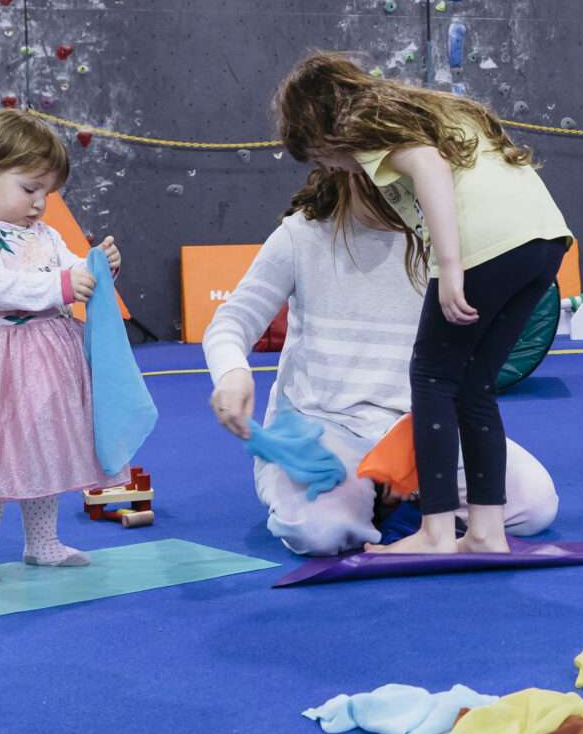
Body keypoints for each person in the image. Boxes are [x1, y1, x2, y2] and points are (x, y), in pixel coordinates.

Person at [274, 53, 572, 555]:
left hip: (486, 242)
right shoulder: (418, 109)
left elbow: (428, 167)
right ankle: (486, 530)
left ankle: (435, 531)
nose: (332, 169)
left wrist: (451, 264)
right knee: (474, 384)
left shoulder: (361, 124)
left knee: (432, 378)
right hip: (545, 238)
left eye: (324, 159)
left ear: (321, 128)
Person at [203, 168, 558, 554]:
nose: (394, 194)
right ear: (341, 166)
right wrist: (232, 372)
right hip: (324, 431)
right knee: (319, 532)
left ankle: (395, 501)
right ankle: (384, 503)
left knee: (534, 505)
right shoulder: (300, 235)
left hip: (424, 429)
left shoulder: (446, 240)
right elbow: (231, 321)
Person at [0, 107, 125, 586]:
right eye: (29, 189)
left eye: (48, 193)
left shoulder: (46, 233)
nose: (40, 204)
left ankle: (43, 543)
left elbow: (77, 272)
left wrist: (101, 268)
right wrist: (63, 285)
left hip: (49, 357)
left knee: (46, 447)